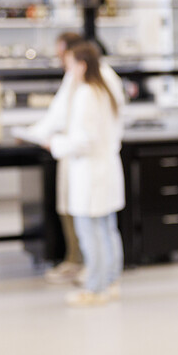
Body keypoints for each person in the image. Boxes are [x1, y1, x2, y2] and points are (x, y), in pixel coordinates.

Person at [28, 32, 124, 285]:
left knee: (91, 233)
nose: (66, 69)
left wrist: (55, 143)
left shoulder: (86, 93)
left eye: (68, 63)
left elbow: (84, 139)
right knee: (106, 230)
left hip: (90, 170)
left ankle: (95, 287)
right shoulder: (101, 86)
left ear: (81, 63)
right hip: (103, 167)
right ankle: (108, 281)